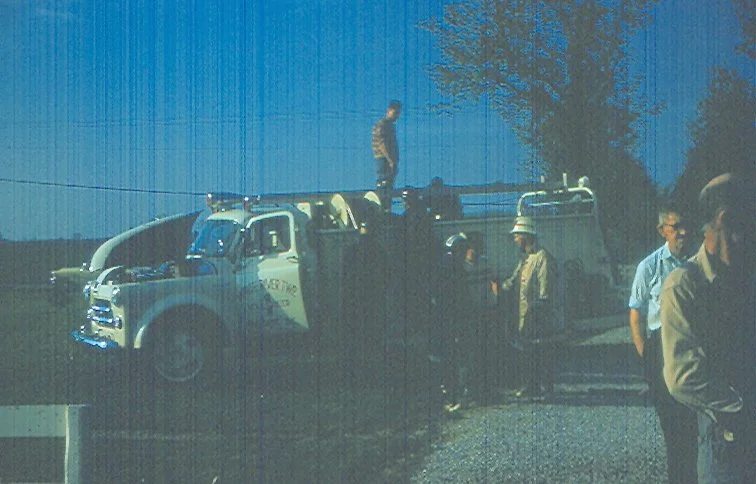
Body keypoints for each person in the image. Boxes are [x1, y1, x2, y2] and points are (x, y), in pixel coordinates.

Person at [661, 173, 755, 483]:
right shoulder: (685, 285)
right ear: (725, 220)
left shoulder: (745, 275)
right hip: (729, 444)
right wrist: (743, 412)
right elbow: (682, 377)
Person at [628, 203, 697, 484]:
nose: (682, 232)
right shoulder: (649, 267)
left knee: (693, 423)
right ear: (662, 232)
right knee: (671, 424)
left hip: (692, 346)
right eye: (675, 227)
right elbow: (636, 315)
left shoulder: (696, 264)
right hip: (661, 347)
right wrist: (646, 354)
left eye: (684, 226)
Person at [492, 216, 558, 401]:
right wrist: (498, 288)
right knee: (528, 353)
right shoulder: (525, 259)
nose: (515, 240)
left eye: (517, 236)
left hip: (538, 316)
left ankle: (547, 388)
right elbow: (512, 282)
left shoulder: (542, 258)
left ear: (526, 236)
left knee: (542, 353)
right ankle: (531, 386)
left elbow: (546, 291)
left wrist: (538, 312)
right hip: (526, 316)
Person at [371, 100, 401, 208]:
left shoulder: (390, 126)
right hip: (383, 159)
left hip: (388, 160)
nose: (397, 116)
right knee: (384, 185)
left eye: (398, 113)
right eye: (395, 113)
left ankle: (386, 207)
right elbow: (382, 143)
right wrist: (391, 160)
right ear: (389, 111)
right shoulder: (382, 125)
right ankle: (382, 208)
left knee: (389, 186)